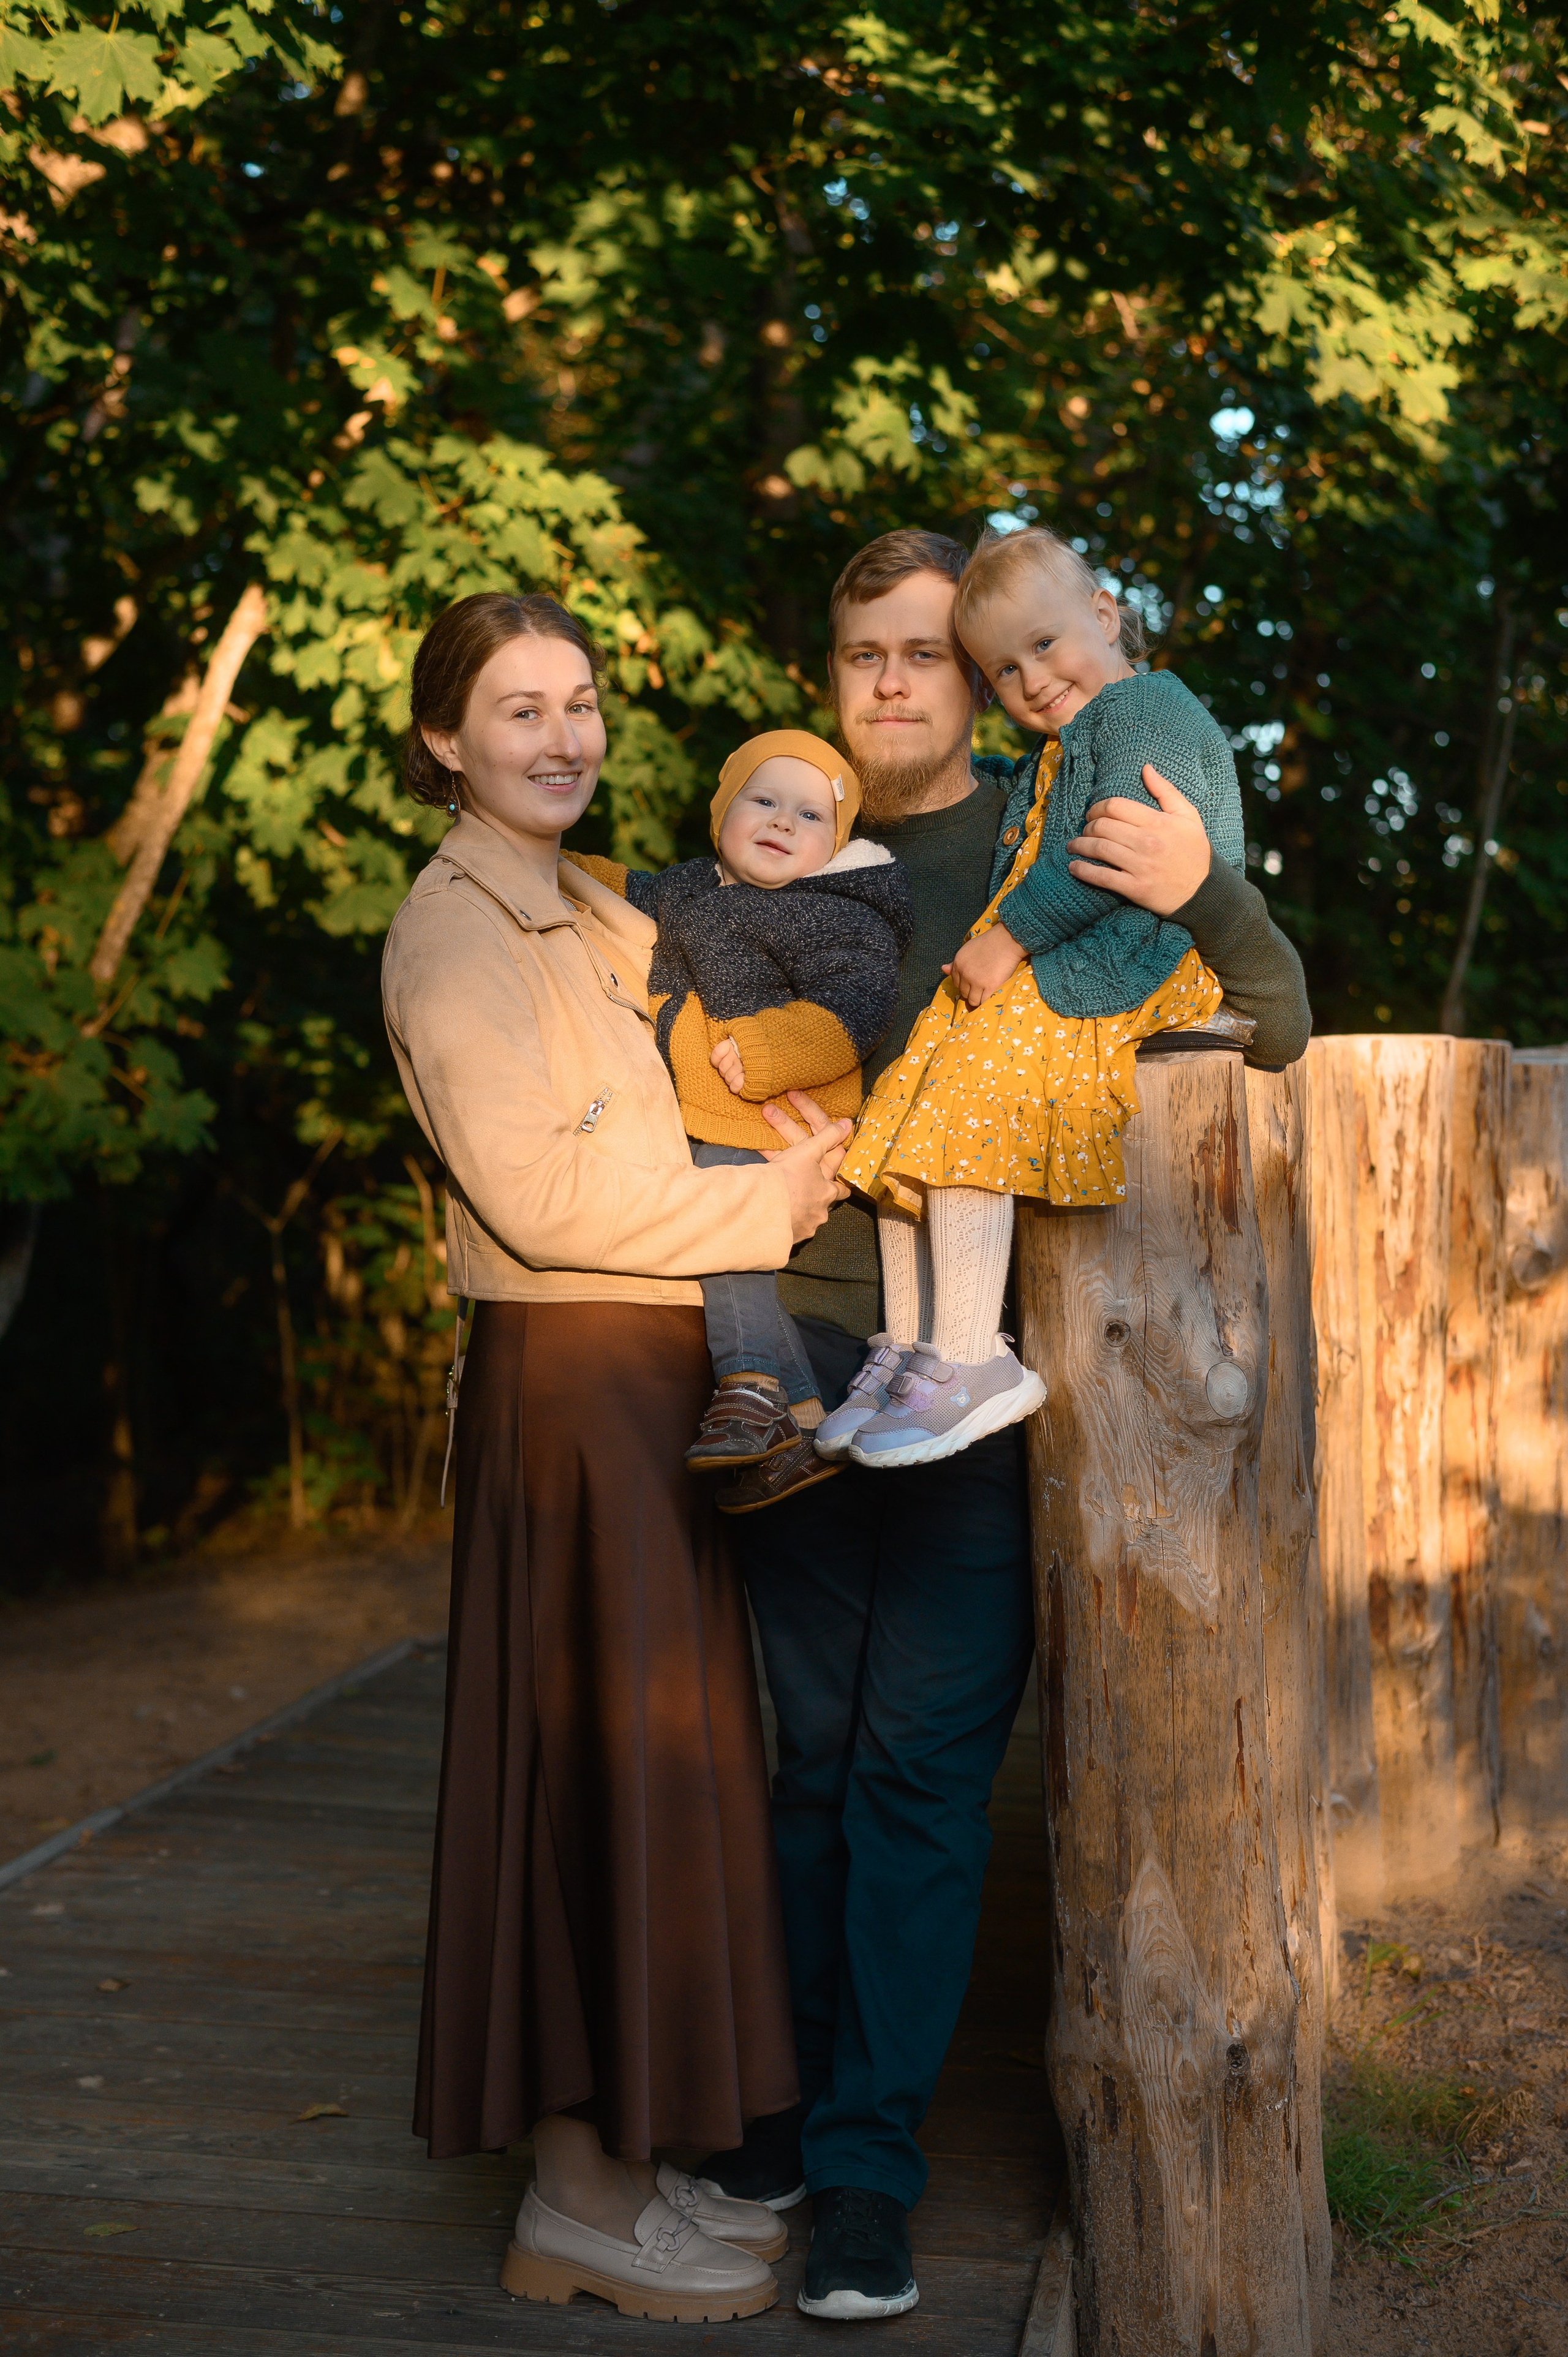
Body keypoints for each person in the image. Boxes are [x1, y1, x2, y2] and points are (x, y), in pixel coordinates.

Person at [696, 529, 1312, 2323]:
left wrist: (1212, 891)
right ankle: (786, 2118)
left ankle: (870, 2170)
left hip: (977, 1382)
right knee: (807, 1757)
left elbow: (1263, 1026)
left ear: (977, 678)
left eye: (923, 655)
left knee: (918, 1772)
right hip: (801, 1359)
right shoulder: (781, 831)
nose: (891, 684)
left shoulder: (1046, 834)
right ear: (830, 677)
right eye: (861, 654)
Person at [380, 590, 851, 2325]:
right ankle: (572, 2195)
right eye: (518, 712)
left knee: (659, 1771)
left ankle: (627, 2164)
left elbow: (715, 1075)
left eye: (579, 702)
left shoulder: (601, 904)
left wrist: (806, 1118)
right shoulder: (453, 934)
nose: (564, 736)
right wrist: (763, 1197)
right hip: (569, 1383)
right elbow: (545, 1196)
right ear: (446, 741)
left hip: (656, 1370)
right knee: (582, 1777)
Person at [828, 521, 1246, 1470]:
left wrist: (1007, 939)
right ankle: (913, 1352)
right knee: (911, 1099)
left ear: (1106, 614)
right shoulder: (1074, 738)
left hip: (1136, 955)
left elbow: (1105, 863)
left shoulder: (1145, 715)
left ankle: (976, 1358)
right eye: (1007, 669)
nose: (1033, 681)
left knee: (973, 1092)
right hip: (1074, 952)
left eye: (1045, 645)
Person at [566, 729, 911, 1510]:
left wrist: (764, 1047)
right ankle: (796, 1417)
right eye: (763, 800)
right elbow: (628, 888)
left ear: (836, 845)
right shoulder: (691, 887)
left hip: (783, 1109)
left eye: (810, 815)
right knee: (715, 1241)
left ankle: (751, 1383)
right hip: (719, 1106)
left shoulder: (837, 912)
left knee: (727, 1238)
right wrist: (551, 863)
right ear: (722, 814)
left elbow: (852, 1008)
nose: (783, 822)